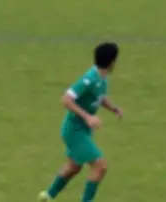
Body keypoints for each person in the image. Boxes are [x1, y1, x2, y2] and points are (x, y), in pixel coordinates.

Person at [39, 43, 123, 202]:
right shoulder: (89, 79)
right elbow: (66, 99)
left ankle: (47, 196)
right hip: (74, 130)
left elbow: (99, 97)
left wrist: (113, 108)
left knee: (74, 166)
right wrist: (88, 117)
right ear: (111, 62)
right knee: (100, 167)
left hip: (82, 130)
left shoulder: (102, 78)